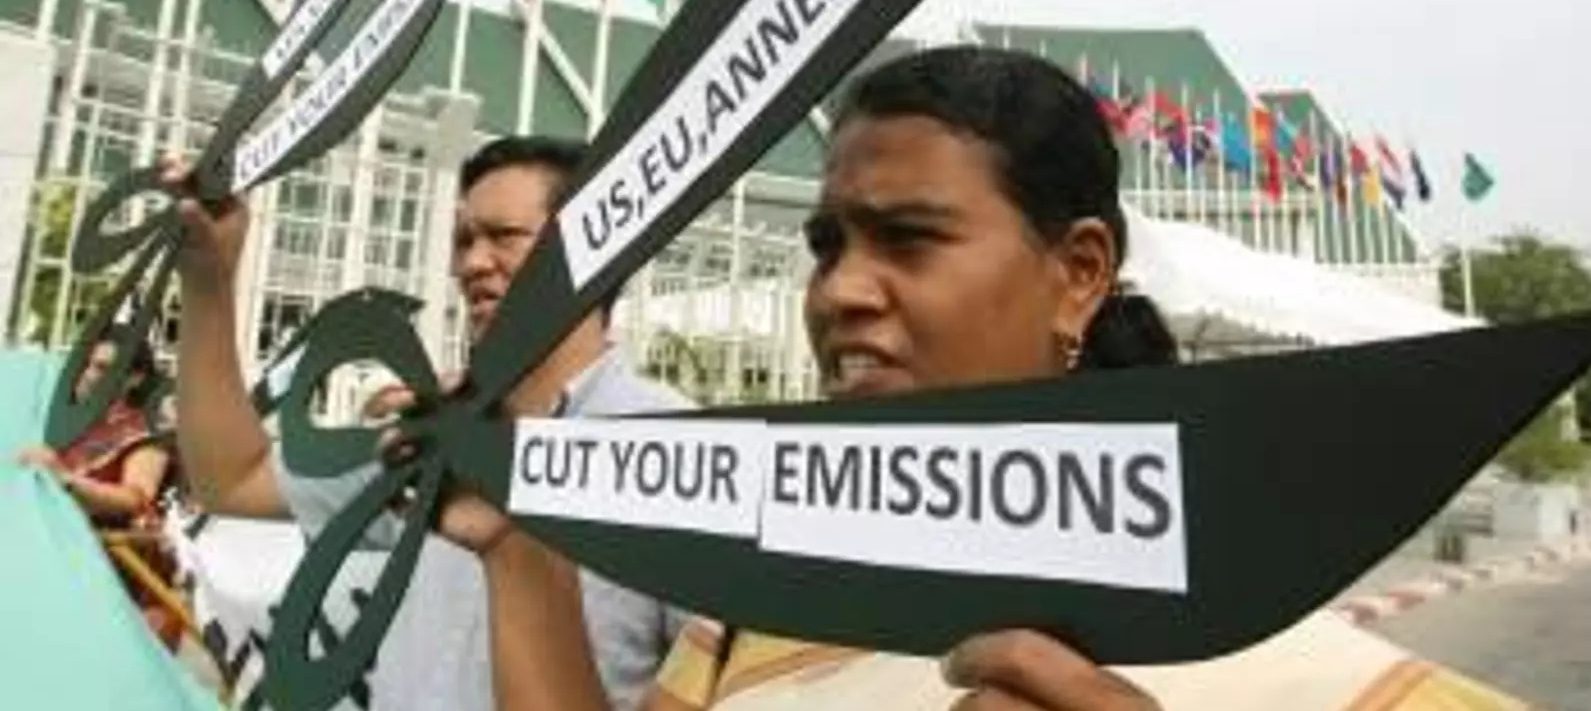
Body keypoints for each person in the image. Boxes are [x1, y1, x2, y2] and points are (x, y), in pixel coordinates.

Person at [468, 46, 1170, 711]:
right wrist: (519, 549)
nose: (838, 291)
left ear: (1080, 272)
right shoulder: (768, 586)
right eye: (828, 247)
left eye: (909, 237)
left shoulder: (1211, 583)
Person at [163, 135, 695, 711]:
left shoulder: (685, 462)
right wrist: (209, 280)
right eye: (464, 241)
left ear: (596, 245)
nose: (472, 264)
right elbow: (231, 479)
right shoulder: (437, 434)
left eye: (504, 236)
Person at [17, 325, 184, 650]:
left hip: (112, 583)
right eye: (87, 364)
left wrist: (66, 480)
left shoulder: (143, 434)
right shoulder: (55, 424)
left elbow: (136, 499)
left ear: (134, 378)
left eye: (103, 368)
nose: (89, 375)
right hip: (47, 570)